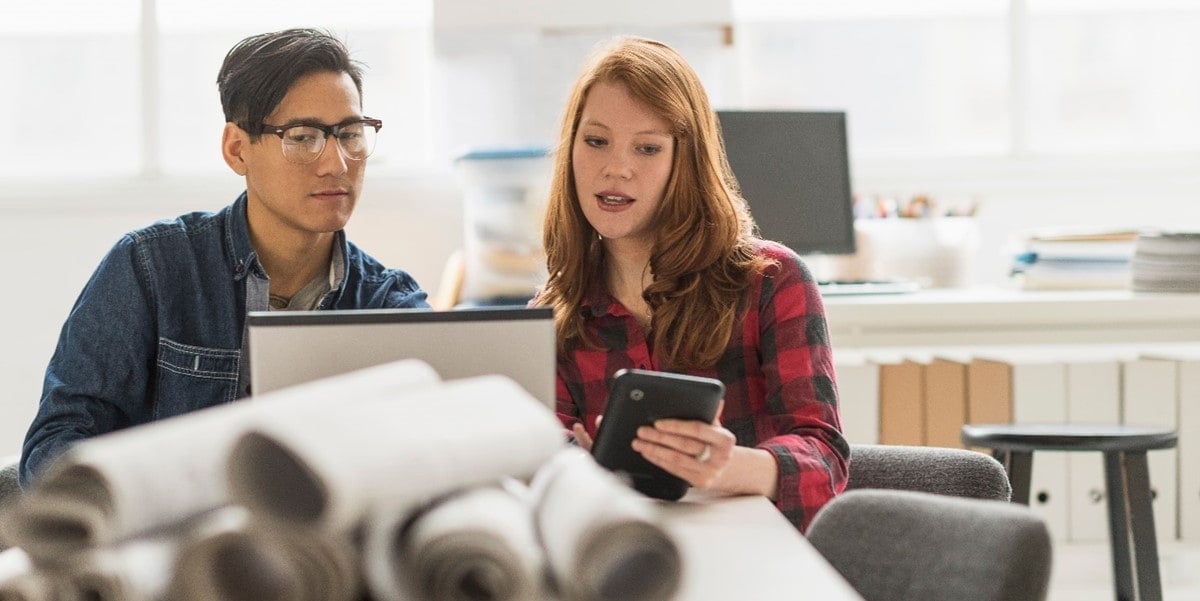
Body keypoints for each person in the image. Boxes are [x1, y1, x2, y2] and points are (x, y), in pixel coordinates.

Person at [19, 28, 428, 487]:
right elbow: (55, 446)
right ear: (237, 149)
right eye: (303, 137)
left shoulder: (388, 302)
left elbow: (442, 442)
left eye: (350, 134)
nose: (336, 163)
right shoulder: (150, 269)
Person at [533, 36, 849, 531]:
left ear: (686, 161)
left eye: (648, 147)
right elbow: (540, 473)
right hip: (625, 560)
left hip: (760, 560)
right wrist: (578, 474)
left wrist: (728, 466)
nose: (616, 168)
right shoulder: (554, 315)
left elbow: (826, 462)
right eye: (596, 141)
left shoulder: (772, 282)